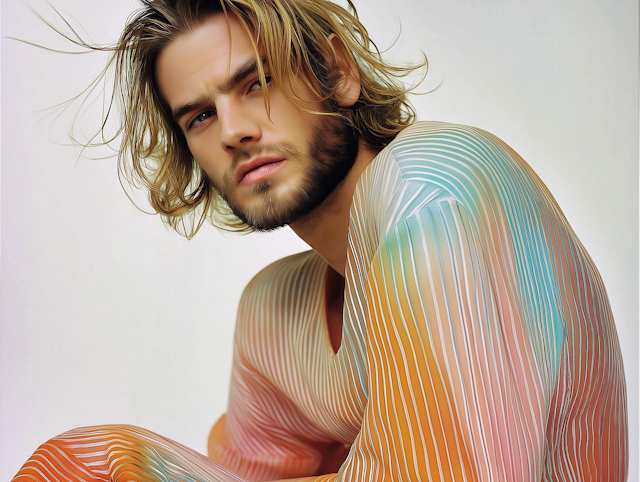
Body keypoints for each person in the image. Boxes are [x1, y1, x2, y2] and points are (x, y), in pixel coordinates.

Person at [12, 0, 628, 481]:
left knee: (89, 466)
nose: (233, 130)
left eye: (258, 83)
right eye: (199, 116)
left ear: (338, 73)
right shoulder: (274, 315)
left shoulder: (433, 192)